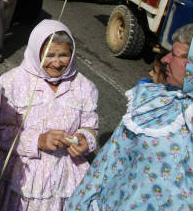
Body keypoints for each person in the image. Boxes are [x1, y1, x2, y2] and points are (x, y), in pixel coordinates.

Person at [67, 24, 193, 210]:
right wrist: (79, 202)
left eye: (174, 55)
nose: (165, 59)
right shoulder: (153, 98)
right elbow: (111, 155)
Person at [0, 20, 99, 210]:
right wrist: (38, 141)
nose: (57, 63)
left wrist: (85, 139)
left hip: (66, 178)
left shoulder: (84, 86)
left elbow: (90, 126)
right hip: (23, 179)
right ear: (36, 53)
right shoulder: (11, 82)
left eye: (64, 55)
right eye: (49, 55)